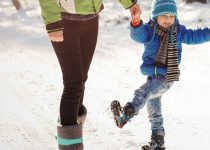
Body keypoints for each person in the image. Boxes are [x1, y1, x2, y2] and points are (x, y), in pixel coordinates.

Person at [110, 0, 210, 149]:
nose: (167, 19)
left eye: (171, 15)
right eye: (163, 15)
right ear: (155, 16)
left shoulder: (178, 31)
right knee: (154, 109)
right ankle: (158, 141)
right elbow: (138, 36)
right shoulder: (150, 31)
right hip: (153, 75)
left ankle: (125, 115)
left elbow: (196, 36)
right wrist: (136, 21)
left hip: (166, 76)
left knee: (143, 92)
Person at [38, 0, 141, 149]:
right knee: (73, 83)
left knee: (81, 80)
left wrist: (130, 3)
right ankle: (69, 144)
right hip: (64, 19)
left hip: (90, 19)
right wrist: (53, 22)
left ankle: (69, 135)